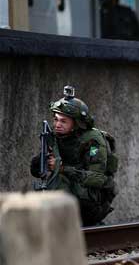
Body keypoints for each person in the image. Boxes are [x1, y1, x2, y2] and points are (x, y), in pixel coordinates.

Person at [31, 86, 118, 226]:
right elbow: (38, 172)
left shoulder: (93, 141)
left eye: (63, 121)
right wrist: (40, 162)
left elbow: (97, 178)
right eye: (55, 119)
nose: (57, 125)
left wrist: (62, 168)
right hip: (69, 197)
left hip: (92, 202)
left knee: (61, 181)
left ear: (77, 123)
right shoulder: (56, 137)